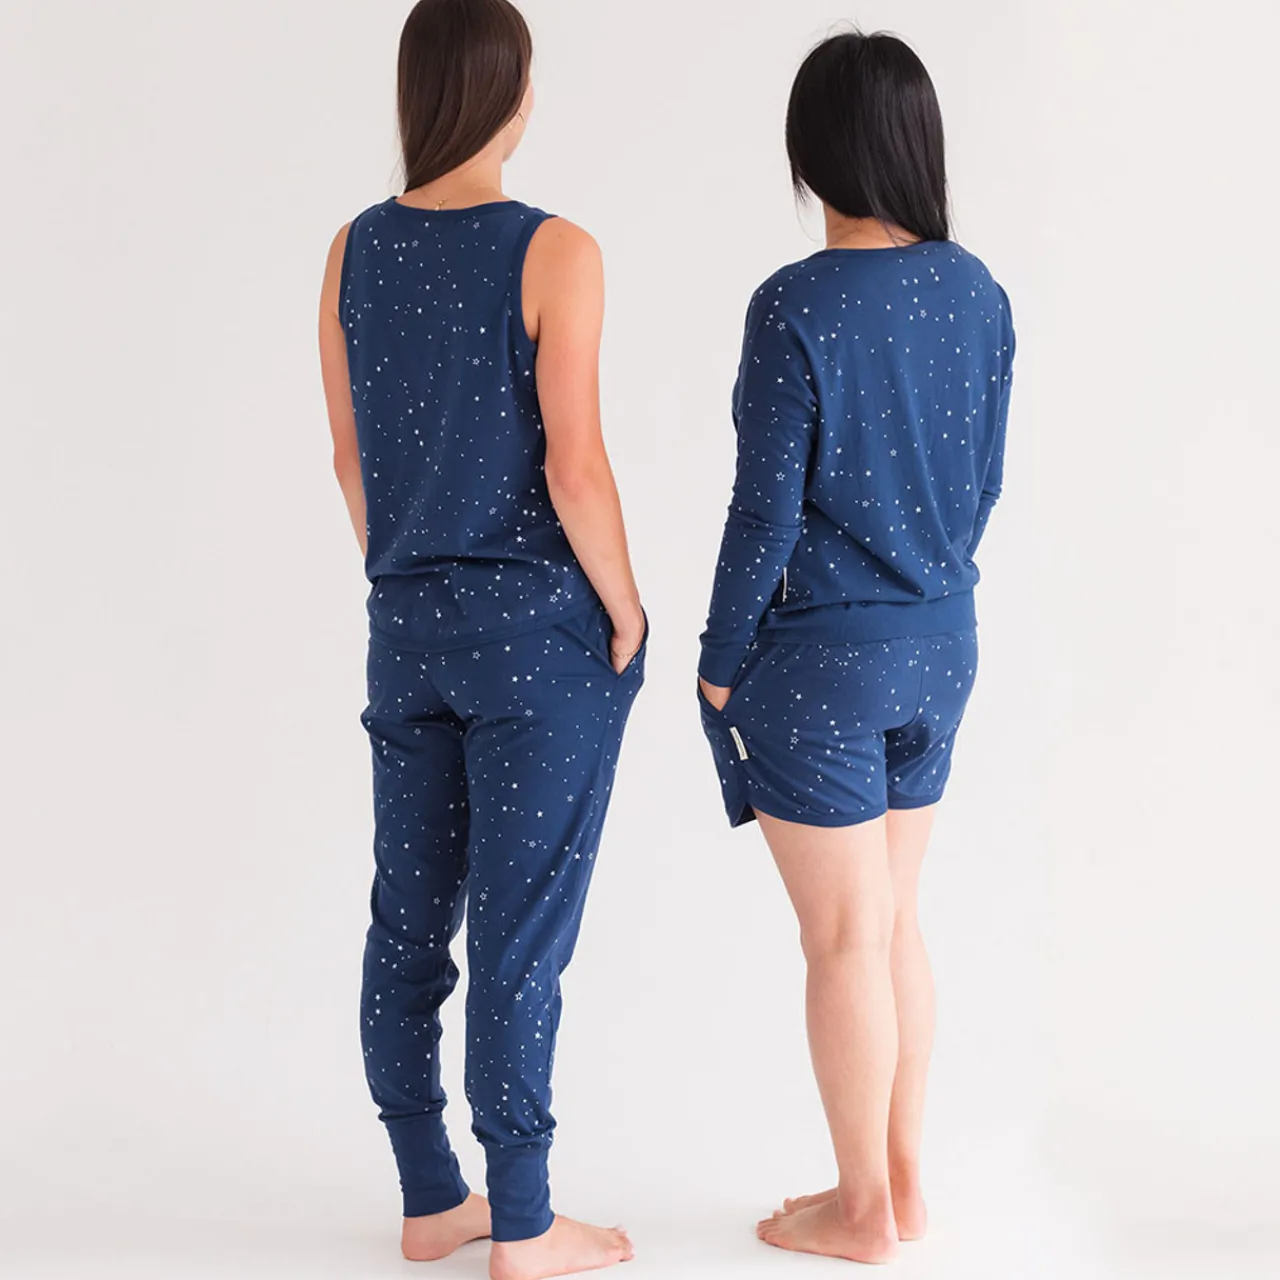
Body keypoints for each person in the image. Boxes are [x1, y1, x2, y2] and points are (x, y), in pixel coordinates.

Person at [318, 2, 645, 1276]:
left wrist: (410, 579)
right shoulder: (555, 249)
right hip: (534, 642)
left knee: (408, 918)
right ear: (511, 94)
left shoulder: (351, 250)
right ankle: (522, 1217)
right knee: (519, 934)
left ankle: (428, 1196)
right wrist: (626, 608)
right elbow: (576, 469)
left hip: (403, 629)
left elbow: (350, 462)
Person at [697, 30, 1016, 1265]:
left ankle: (860, 1211)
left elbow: (761, 513)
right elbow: (981, 483)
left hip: (823, 661)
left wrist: (719, 655)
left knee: (841, 937)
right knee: (890, 922)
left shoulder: (794, 303)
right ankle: (901, 1187)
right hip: (942, 644)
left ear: (811, 151)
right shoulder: (978, 291)